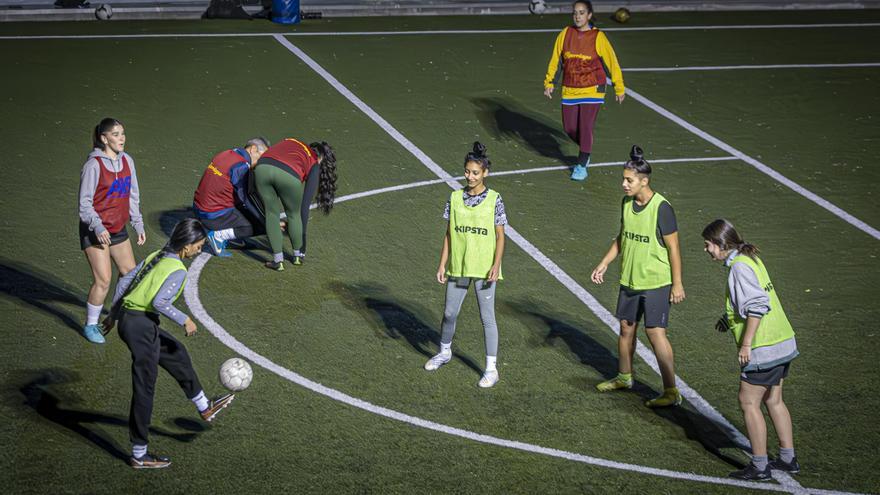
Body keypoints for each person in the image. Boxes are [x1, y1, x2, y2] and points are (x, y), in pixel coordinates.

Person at [104, 218, 235, 469]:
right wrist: (185, 319)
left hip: (133, 323)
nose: (199, 250)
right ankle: (139, 454)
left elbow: (125, 282)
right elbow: (160, 303)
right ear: (187, 245)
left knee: (176, 352)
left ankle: (204, 406)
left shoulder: (158, 254)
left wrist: (113, 315)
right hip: (141, 326)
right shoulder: (177, 269)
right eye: (198, 246)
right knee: (145, 388)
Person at [702, 219, 800, 481]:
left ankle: (759, 466)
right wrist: (730, 318)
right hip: (783, 341)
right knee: (773, 400)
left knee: (748, 402)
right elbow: (751, 299)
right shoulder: (750, 258)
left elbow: (757, 305)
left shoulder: (739, 268)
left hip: (763, 348)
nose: (706, 250)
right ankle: (788, 459)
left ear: (721, 244)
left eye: (708, 245)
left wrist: (746, 344)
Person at [590, 145, 685, 407]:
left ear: (644, 181)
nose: (624, 184)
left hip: (656, 282)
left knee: (655, 333)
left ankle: (670, 390)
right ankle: (624, 377)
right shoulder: (626, 203)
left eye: (629, 180)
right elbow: (623, 236)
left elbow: (674, 248)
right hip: (629, 279)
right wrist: (605, 263)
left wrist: (677, 284)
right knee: (625, 328)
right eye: (623, 179)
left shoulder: (662, 208)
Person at [424, 142, 507, 388]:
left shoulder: (495, 199)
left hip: (483, 269)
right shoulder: (454, 197)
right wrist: (442, 264)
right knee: (449, 313)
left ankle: (491, 369)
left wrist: (496, 264)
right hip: (459, 266)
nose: (470, 177)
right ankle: (444, 352)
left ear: (485, 173)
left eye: (475, 173)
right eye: (467, 172)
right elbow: (449, 233)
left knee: (487, 318)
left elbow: (501, 236)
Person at [78, 117, 146, 344]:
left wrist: (137, 223)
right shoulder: (93, 166)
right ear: (103, 138)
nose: (121, 139)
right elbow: (84, 205)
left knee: (130, 273)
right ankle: (90, 325)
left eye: (123, 134)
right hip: (95, 229)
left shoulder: (128, 161)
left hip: (117, 228)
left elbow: (132, 195)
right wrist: (97, 227)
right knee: (104, 280)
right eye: (116, 134)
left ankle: (116, 313)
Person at [542, 0, 625, 181]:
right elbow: (556, 59)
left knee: (586, 126)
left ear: (589, 15)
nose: (578, 16)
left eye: (581, 13)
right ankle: (586, 149)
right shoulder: (566, 34)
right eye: (575, 13)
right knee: (570, 128)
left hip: (593, 87)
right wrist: (550, 82)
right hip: (570, 88)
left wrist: (619, 87)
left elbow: (612, 62)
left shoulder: (598, 37)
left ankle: (582, 163)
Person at [253, 138, 337, 271]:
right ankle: (297, 256)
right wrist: (303, 246)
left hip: (262, 167)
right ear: (321, 159)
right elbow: (304, 207)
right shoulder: (314, 161)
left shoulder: (292, 141)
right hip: (288, 174)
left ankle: (278, 261)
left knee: (271, 214)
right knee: (293, 214)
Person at [193, 137, 270, 257]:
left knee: (248, 211)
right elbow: (245, 198)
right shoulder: (241, 166)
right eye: (262, 157)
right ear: (253, 149)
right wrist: (267, 221)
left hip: (200, 208)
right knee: (258, 226)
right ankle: (219, 236)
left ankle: (230, 234)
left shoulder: (226, 153)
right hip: (212, 215)